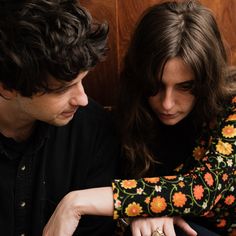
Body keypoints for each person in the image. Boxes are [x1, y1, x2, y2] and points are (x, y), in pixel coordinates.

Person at [43, 1, 236, 236]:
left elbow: (201, 191)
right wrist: (135, 216)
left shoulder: (232, 107)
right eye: (156, 85)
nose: (167, 103)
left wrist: (75, 203)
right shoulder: (129, 113)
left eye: (185, 87)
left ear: (207, 79)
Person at [0, 0, 120, 235]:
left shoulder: (93, 129)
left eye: (81, 80)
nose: (82, 99)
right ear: (7, 87)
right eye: (63, 89)